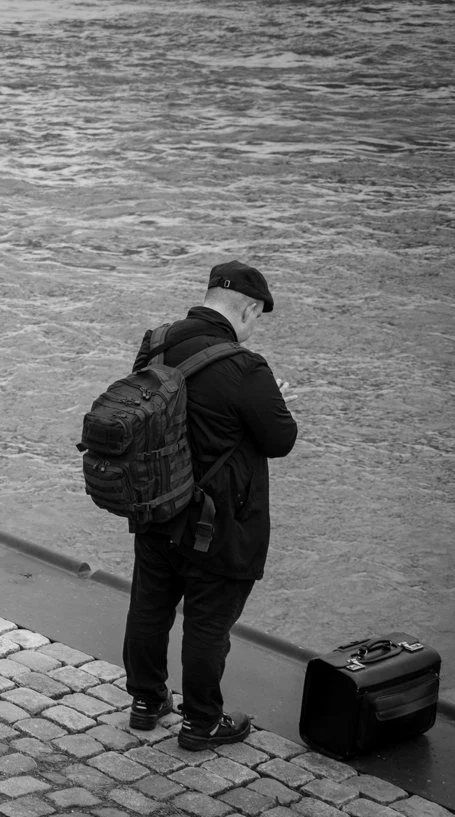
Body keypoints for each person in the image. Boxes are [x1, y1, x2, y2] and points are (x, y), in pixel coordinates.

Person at [123, 261, 298, 749]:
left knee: (151, 607)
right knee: (207, 622)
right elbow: (280, 439)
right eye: (256, 317)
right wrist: (274, 400)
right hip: (219, 521)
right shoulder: (247, 367)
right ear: (248, 307)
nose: (252, 328)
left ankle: (146, 701)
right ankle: (201, 723)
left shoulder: (156, 342)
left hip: (158, 502)